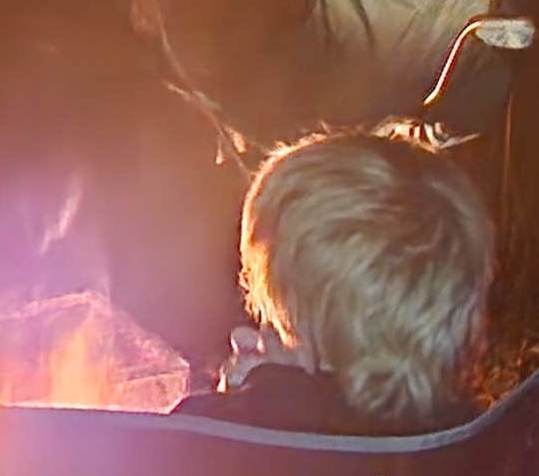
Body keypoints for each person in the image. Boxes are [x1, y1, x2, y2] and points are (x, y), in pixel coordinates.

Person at [179, 124, 497, 434]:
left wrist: (245, 406)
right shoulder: (481, 442)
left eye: (281, 319)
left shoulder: (203, 434)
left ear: (307, 313)